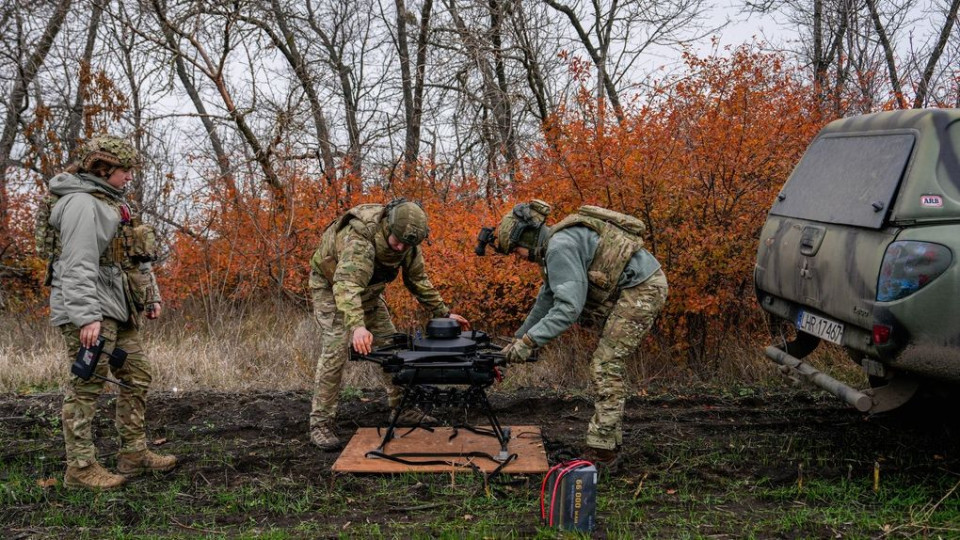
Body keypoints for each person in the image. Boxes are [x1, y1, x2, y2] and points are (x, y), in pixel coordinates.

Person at [477, 200, 668, 465]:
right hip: (634, 287)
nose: (519, 256)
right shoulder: (554, 247)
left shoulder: (559, 248)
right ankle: (609, 440)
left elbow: (568, 308)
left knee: (606, 365)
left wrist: (529, 343)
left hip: (642, 288)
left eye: (516, 250)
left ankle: (602, 449)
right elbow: (545, 301)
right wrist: (517, 340)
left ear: (528, 238)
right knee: (606, 363)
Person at [43, 135, 176, 490]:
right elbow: (76, 264)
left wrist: (151, 296)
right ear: (103, 169)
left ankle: (133, 454)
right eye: (125, 169)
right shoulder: (82, 205)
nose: (130, 175)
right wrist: (87, 316)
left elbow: (134, 257)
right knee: (87, 385)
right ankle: (81, 469)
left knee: (137, 374)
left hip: (119, 306)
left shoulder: (113, 203)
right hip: (90, 311)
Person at [308, 199, 470, 449]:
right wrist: (357, 326)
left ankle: (401, 408)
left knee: (391, 346)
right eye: (398, 241)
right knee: (336, 350)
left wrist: (444, 312)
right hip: (332, 289)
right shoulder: (360, 240)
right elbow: (346, 285)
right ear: (387, 226)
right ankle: (321, 423)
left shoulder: (408, 241)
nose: (401, 247)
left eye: (408, 244)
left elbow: (417, 280)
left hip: (369, 292)